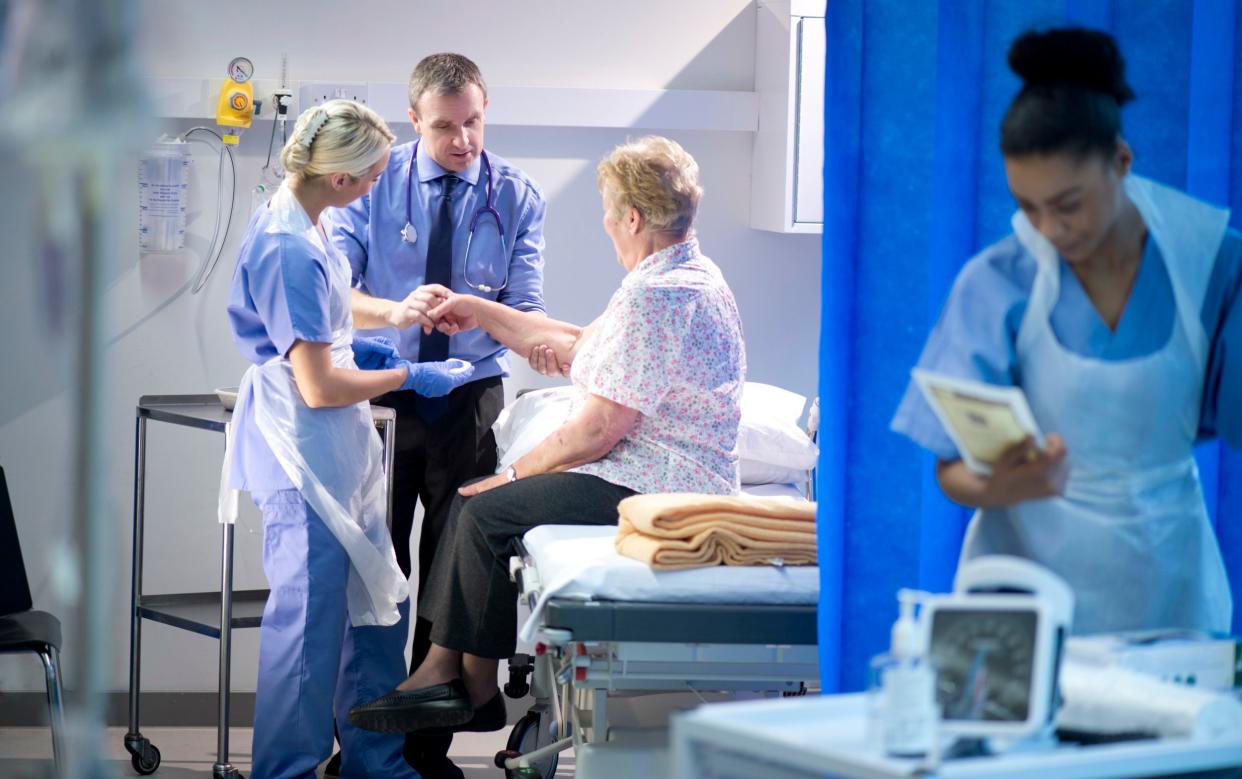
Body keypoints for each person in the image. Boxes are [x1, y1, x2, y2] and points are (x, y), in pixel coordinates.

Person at [346, 135, 746, 733]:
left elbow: (599, 429)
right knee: (479, 501)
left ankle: (468, 687)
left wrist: (513, 473)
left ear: (633, 218)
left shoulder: (657, 294)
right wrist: (477, 310)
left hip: (653, 485)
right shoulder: (686, 274)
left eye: (610, 214)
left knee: (482, 509)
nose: (606, 224)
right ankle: (451, 678)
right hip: (653, 473)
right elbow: (577, 342)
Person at [892, 27, 1242, 635]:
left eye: (1069, 204)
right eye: (1028, 207)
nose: (1049, 228)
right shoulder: (997, 280)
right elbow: (951, 471)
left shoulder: (1210, 265)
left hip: (1169, 596)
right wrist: (1003, 483)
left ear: (1121, 162)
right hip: (1020, 604)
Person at [224, 99, 474, 779]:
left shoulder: (312, 224)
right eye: (370, 178)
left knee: (377, 608)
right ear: (340, 178)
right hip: (302, 446)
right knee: (308, 628)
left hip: (341, 448)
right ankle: (286, 770)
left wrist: (378, 322)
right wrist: (407, 372)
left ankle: (376, 760)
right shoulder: (285, 244)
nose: (373, 188)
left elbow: (328, 309)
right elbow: (316, 386)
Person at [327, 53, 546, 777]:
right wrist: (395, 310)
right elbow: (334, 294)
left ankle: (422, 751)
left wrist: (483, 315)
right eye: (446, 126)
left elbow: (525, 311)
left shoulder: (515, 195)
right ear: (414, 121)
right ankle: (364, 746)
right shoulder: (372, 185)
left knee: (453, 567)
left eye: (474, 122)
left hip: (470, 398)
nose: (463, 139)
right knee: (374, 566)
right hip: (384, 389)